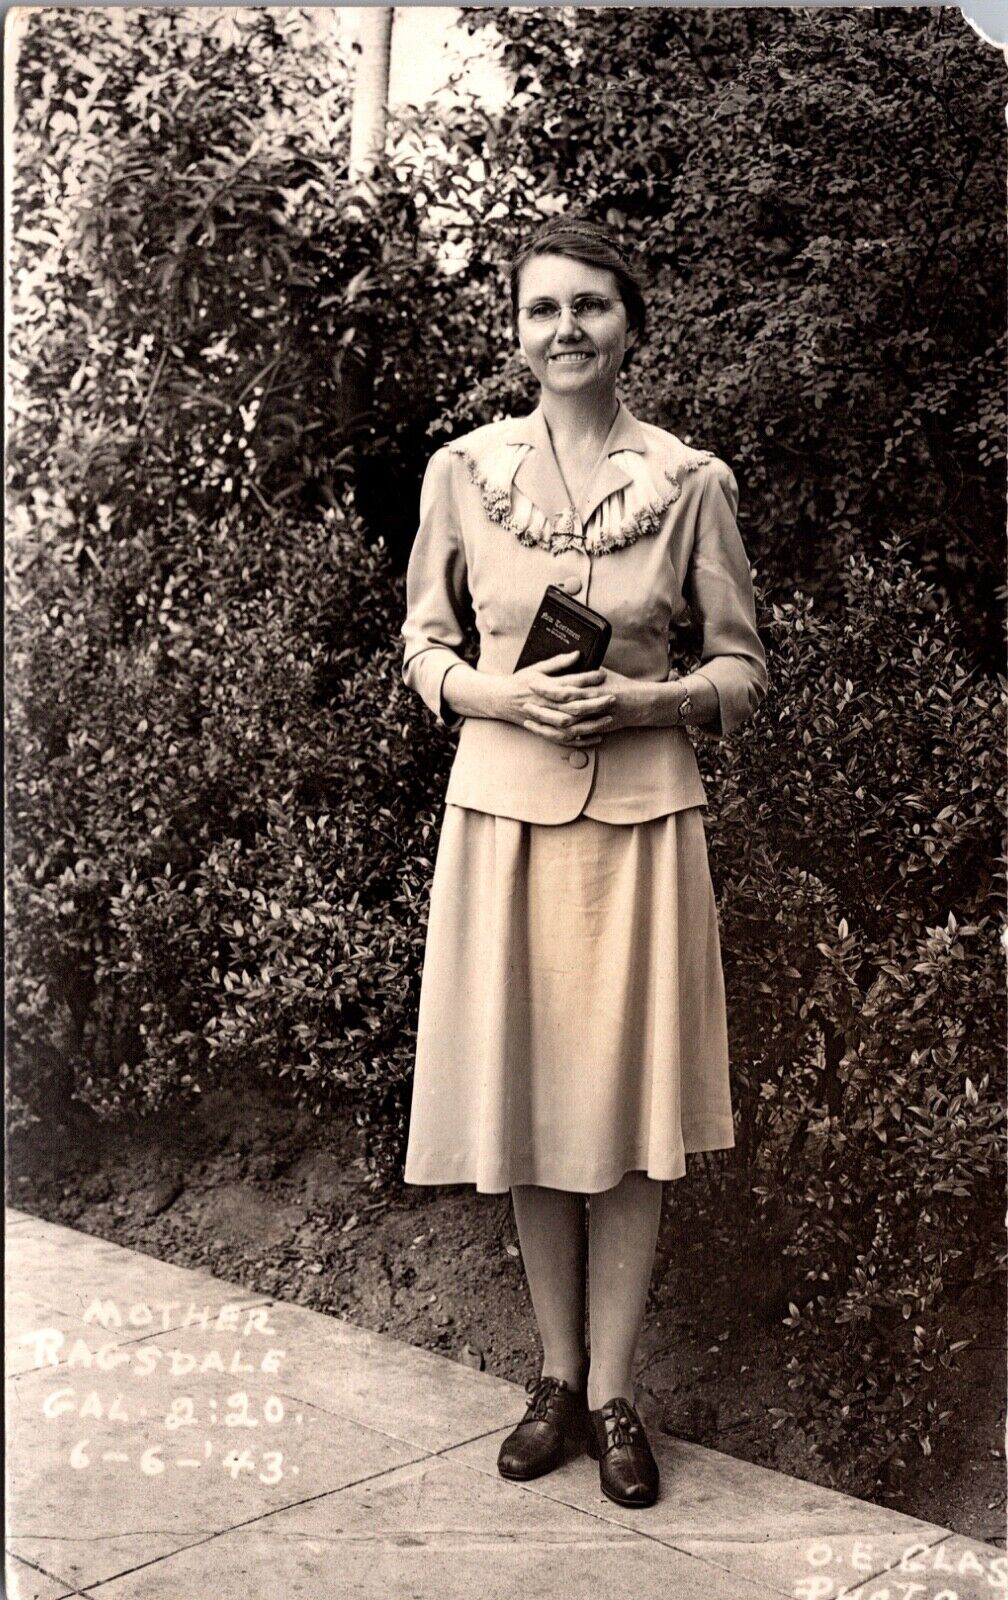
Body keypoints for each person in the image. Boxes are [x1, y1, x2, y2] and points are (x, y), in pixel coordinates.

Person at [398, 216, 768, 1509]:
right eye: (543, 309)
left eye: (591, 309)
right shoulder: (463, 472)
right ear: (517, 331)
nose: (566, 330)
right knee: (523, 1111)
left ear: (630, 327)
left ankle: (616, 1393)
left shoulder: (690, 483)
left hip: (641, 832)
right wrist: (501, 701)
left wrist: (644, 704)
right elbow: (424, 648)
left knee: (622, 1125)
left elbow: (740, 669)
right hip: (501, 823)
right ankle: (551, 1379)